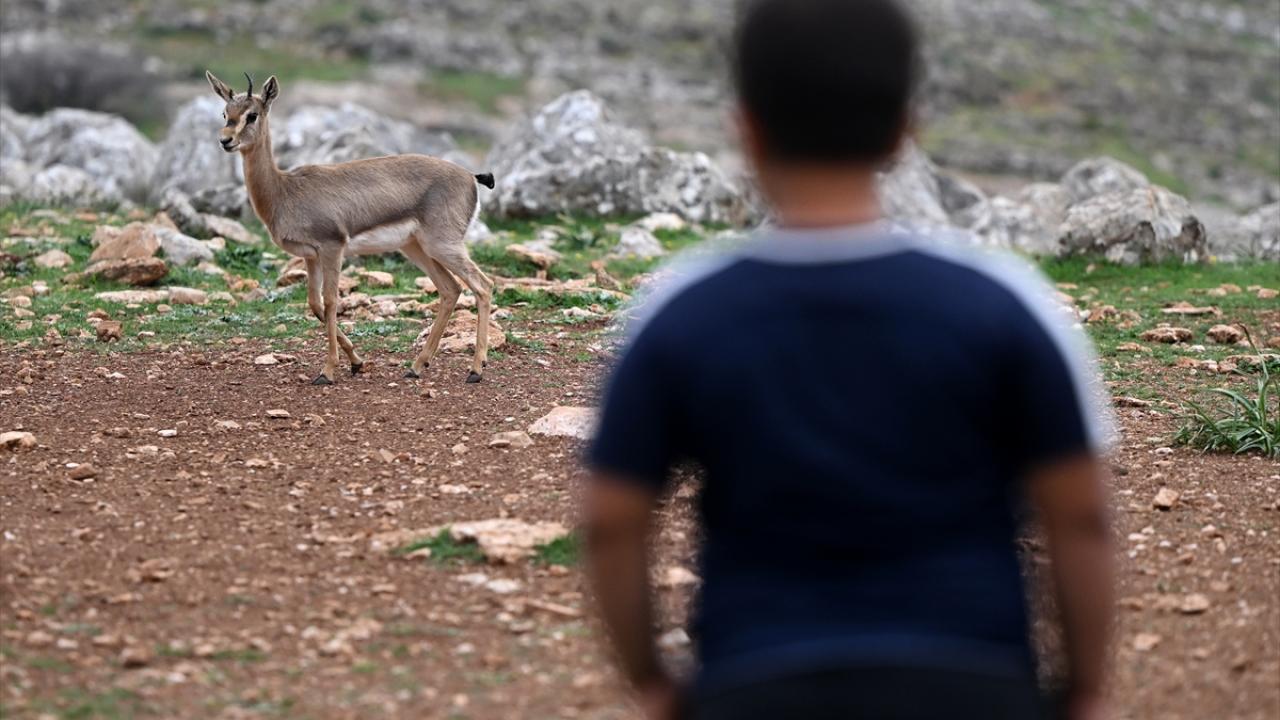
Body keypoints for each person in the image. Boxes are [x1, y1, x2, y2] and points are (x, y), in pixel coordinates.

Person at [582, 0, 1116, 719]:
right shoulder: (1005, 303)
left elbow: (612, 519)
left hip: (756, 680)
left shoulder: (682, 312)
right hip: (972, 682)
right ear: (904, 129)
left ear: (748, 129)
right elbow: (1079, 517)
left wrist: (652, 680)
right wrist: (1080, 689)